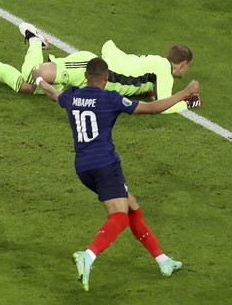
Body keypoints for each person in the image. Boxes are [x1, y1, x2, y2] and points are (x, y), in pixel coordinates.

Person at [31, 57, 200, 291]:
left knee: (132, 208)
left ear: (86, 76)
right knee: (120, 217)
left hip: (83, 168)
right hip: (105, 165)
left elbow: (52, 93)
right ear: (106, 77)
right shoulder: (110, 99)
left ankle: (163, 260)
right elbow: (153, 107)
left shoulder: (72, 96)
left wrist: (38, 78)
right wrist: (185, 92)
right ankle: (88, 256)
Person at [0, 22, 201, 113]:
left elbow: (146, 88)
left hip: (90, 81)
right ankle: (35, 40)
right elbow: (163, 105)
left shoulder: (151, 68)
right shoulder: (162, 68)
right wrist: (187, 101)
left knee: (23, 87)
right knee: (32, 74)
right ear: (184, 65)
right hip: (87, 70)